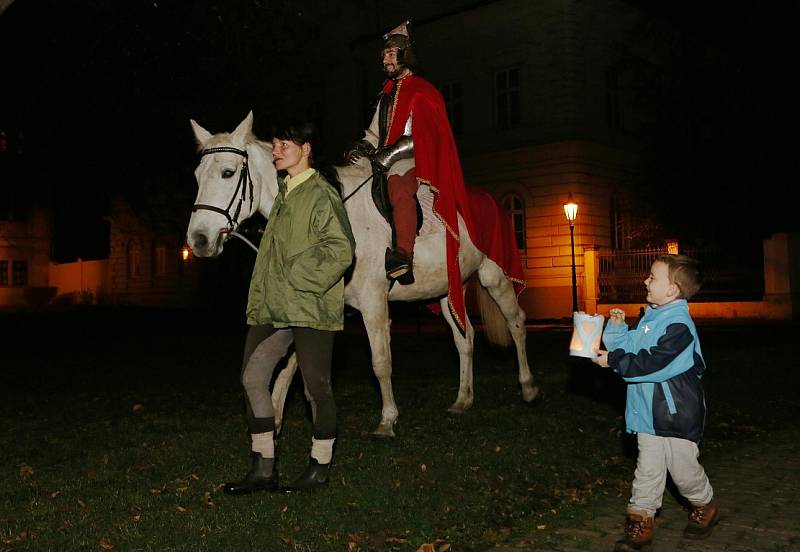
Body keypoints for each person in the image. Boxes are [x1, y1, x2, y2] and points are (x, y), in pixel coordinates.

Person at [224, 122, 355, 495]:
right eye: (275, 145)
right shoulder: (283, 196)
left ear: (306, 149)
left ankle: (320, 466)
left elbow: (341, 250)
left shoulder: (321, 195)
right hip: (273, 307)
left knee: (316, 389)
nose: (276, 150)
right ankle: (263, 466)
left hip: (310, 306)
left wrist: (298, 275)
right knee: (252, 378)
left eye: (285, 144)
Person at [346, 20, 474, 332]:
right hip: (383, 160)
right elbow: (376, 132)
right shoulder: (386, 95)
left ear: (406, 56)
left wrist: (389, 154)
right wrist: (362, 147)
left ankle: (403, 253)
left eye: (391, 55)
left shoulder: (423, 91)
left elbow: (423, 136)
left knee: (400, 189)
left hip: (413, 161)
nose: (385, 60)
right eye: (384, 56)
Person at [592, 254, 719, 551]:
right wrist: (617, 330)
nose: (645, 280)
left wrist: (614, 360)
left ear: (672, 290)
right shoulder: (652, 316)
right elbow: (631, 350)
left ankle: (705, 503)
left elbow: (653, 364)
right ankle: (640, 523)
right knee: (647, 469)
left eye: (652, 277)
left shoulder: (679, 327)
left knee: (683, 472)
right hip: (647, 414)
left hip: (676, 414)